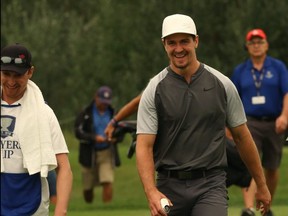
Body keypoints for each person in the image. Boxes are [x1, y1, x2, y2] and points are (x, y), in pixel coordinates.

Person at [135, 14, 271, 216]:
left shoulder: (222, 84)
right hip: (168, 186)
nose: (178, 49)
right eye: (172, 43)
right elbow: (144, 146)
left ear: (196, 41)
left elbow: (242, 137)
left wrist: (261, 184)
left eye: (184, 41)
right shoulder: (154, 89)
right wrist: (151, 191)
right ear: (164, 44)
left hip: (211, 184)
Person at [1, 43, 73, 215]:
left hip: (33, 207)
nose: (11, 81)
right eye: (6, 74)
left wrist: (60, 211)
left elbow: (64, 168)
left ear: (30, 72)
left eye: (17, 75)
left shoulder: (44, 112)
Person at [231, 29, 288, 216]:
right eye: (252, 42)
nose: (256, 45)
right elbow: (233, 98)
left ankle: (266, 208)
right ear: (247, 47)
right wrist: (230, 125)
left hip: (274, 122)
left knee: (271, 166)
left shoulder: (278, 67)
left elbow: (286, 93)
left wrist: (285, 116)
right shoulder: (240, 71)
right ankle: (248, 209)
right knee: (250, 163)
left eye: (259, 42)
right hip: (249, 123)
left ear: (266, 45)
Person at [74, 86, 120, 204]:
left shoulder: (114, 112)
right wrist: (94, 138)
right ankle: (89, 206)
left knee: (107, 181)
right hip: (89, 153)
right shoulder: (86, 113)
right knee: (88, 188)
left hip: (107, 151)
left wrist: (114, 138)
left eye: (107, 102)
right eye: (102, 102)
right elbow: (78, 132)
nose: (104, 105)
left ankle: (107, 210)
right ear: (96, 98)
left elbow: (120, 131)